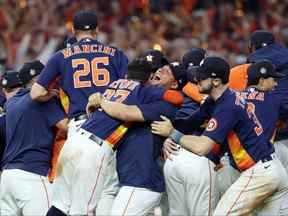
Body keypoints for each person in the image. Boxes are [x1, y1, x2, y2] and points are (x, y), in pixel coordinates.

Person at [151, 56, 288, 215]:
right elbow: (188, 123)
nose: (196, 79)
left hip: (261, 172)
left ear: (216, 81)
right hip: (271, 169)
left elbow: (202, 147)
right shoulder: (217, 100)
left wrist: (171, 133)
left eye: (202, 76)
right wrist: (164, 125)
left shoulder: (228, 105)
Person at [47, 58, 183, 216]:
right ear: (148, 78)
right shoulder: (144, 90)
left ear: (126, 74)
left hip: (74, 140)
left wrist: (101, 101)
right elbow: (176, 98)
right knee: (82, 211)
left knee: (60, 205)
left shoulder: (113, 85)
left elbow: (92, 107)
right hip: (94, 147)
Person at [30, 10, 128, 135]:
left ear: (73, 30)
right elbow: (130, 88)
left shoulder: (60, 56)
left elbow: (35, 93)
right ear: (97, 30)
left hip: (80, 126)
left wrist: (49, 95)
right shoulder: (116, 54)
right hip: (110, 123)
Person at [0, 61, 68, 216]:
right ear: (40, 79)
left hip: (8, 177)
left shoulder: (12, 103)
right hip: (31, 176)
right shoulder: (42, 101)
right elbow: (67, 126)